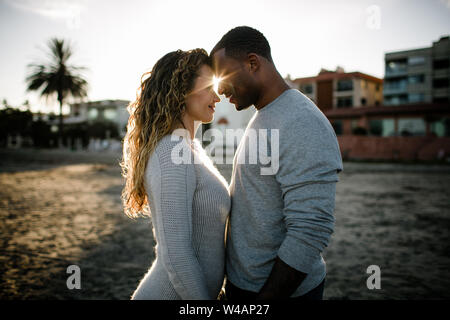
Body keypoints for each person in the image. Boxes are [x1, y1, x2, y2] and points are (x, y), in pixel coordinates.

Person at [211, 26, 343, 300]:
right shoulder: (264, 114)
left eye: (224, 76)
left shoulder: (301, 121)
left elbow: (311, 229)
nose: (219, 89)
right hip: (246, 286)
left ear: (252, 63)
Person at [121, 48, 230, 299]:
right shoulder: (172, 150)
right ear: (182, 92)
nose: (217, 97)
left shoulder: (190, 147)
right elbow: (176, 254)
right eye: (208, 89)